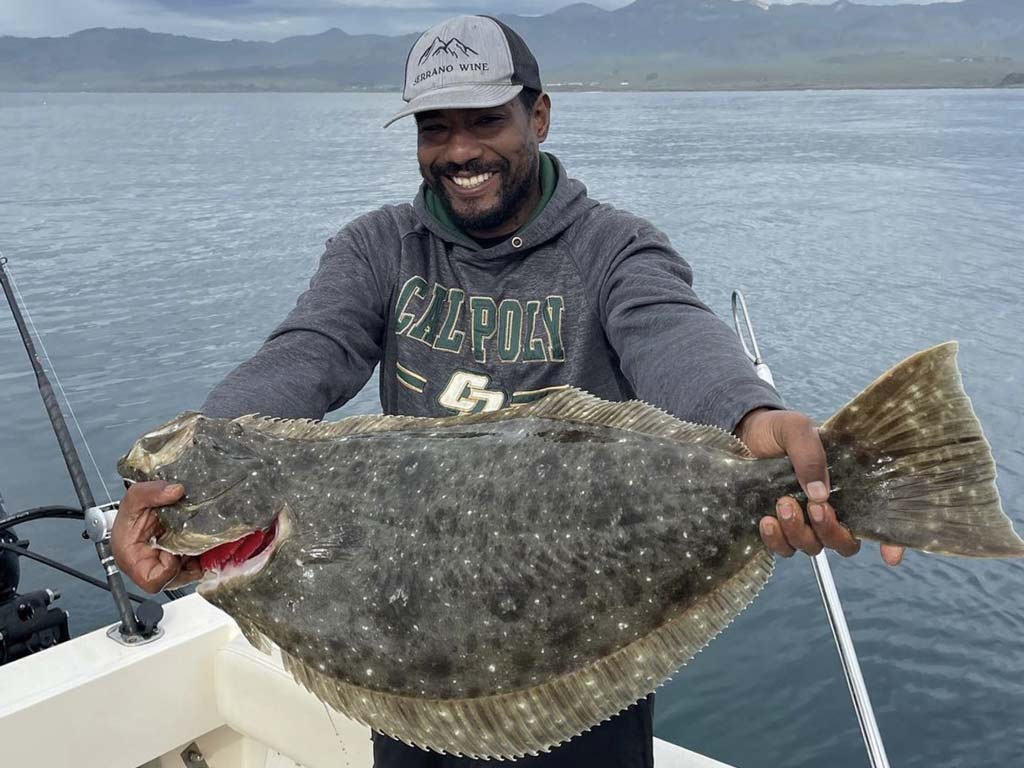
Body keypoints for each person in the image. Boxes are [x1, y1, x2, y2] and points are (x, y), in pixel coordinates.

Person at [111, 14, 904, 768]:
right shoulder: (378, 249)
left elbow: (670, 335)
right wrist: (195, 470)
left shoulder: (611, 247)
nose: (460, 150)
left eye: (485, 121)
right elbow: (306, 353)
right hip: (407, 641)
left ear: (540, 116)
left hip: (583, 623)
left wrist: (748, 414)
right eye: (435, 128)